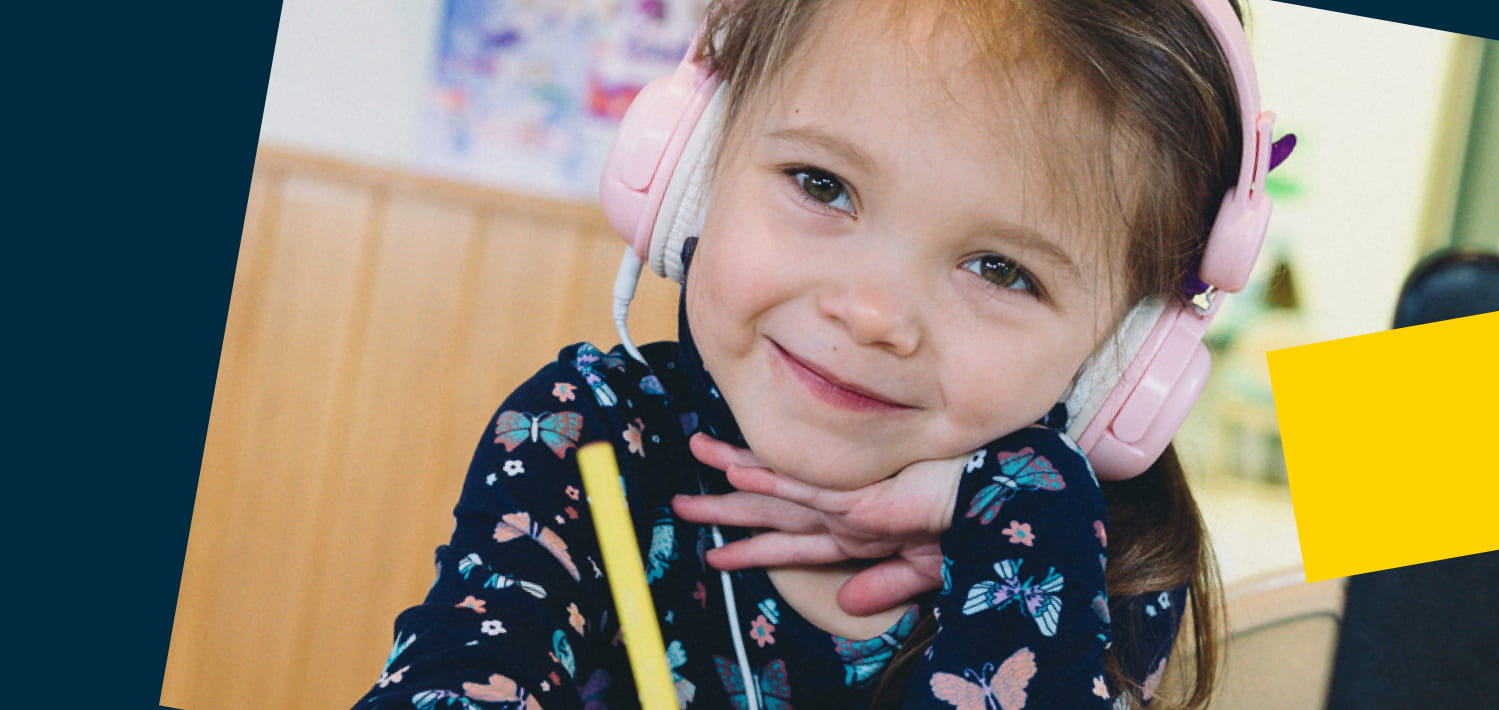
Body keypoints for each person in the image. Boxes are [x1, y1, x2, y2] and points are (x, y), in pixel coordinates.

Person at [354, 0, 1279, 707]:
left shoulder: (1097, 551)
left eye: (1001, 269)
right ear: (693, 167)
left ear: (1124, 357)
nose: (873, 315)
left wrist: (1017, 504)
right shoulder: (582, 438)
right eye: (822, 184)